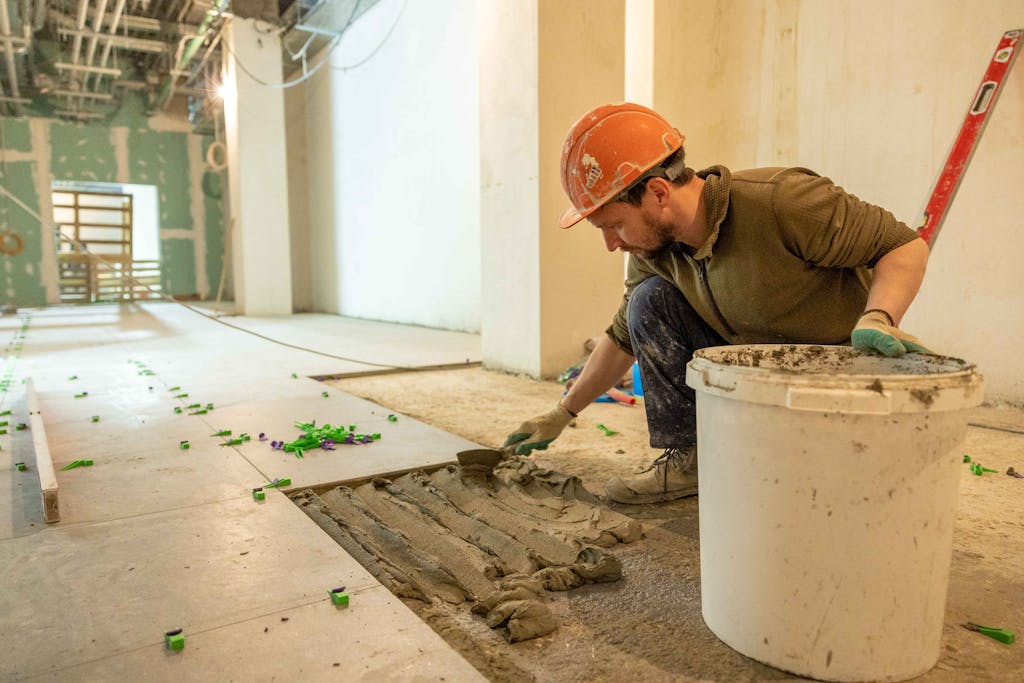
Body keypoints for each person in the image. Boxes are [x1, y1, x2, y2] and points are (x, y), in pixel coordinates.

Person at [503, 102, 931, 504]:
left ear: (657, 192)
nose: (611, 244)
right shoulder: (653, 252)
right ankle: (691, 459)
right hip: (751, 369)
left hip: (829, 372)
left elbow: (903, 246)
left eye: (614, 225)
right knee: (648, 303)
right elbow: (621, 338)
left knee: (826, 488)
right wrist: (562, 413)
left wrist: (880, 315)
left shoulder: (782, 201)